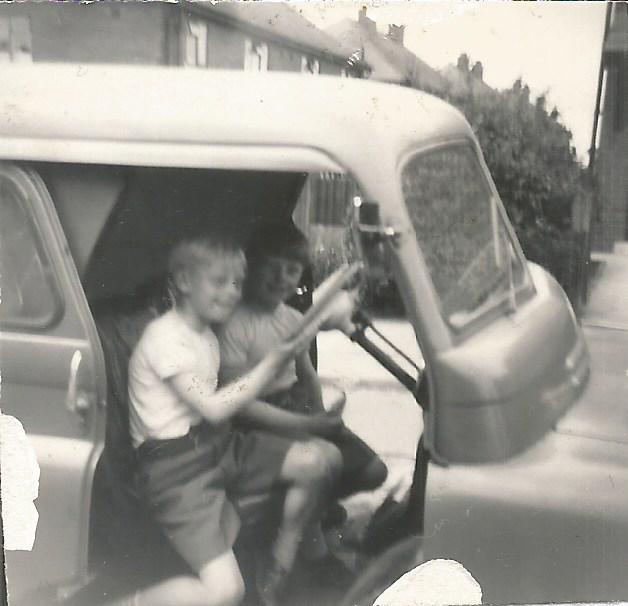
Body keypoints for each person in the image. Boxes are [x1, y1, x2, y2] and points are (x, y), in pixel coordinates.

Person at [122, 232, 344, 606]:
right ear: (183, 281)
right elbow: (214, 407)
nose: (232, 292)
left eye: (237, 283)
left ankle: (278, 566)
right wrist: (276, 359)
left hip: (218, 447)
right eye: (220, 282)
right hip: (175, 472)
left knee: (323, 459)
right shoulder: (163, 339)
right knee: (224, 592)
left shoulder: (206, 334)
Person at [218, 223, 388, 529]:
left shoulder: (294, 318)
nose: (282, 278)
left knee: (374, 470)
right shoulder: (235, 323)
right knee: (323, 464)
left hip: (296, 407)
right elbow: (239, 404)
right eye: (272, 268)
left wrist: (320, 414)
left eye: (292, 270)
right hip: (257, 421)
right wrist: (309, 425)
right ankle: (305, 530)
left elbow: (306, 373)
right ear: (251, 267)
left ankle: (314, 511)